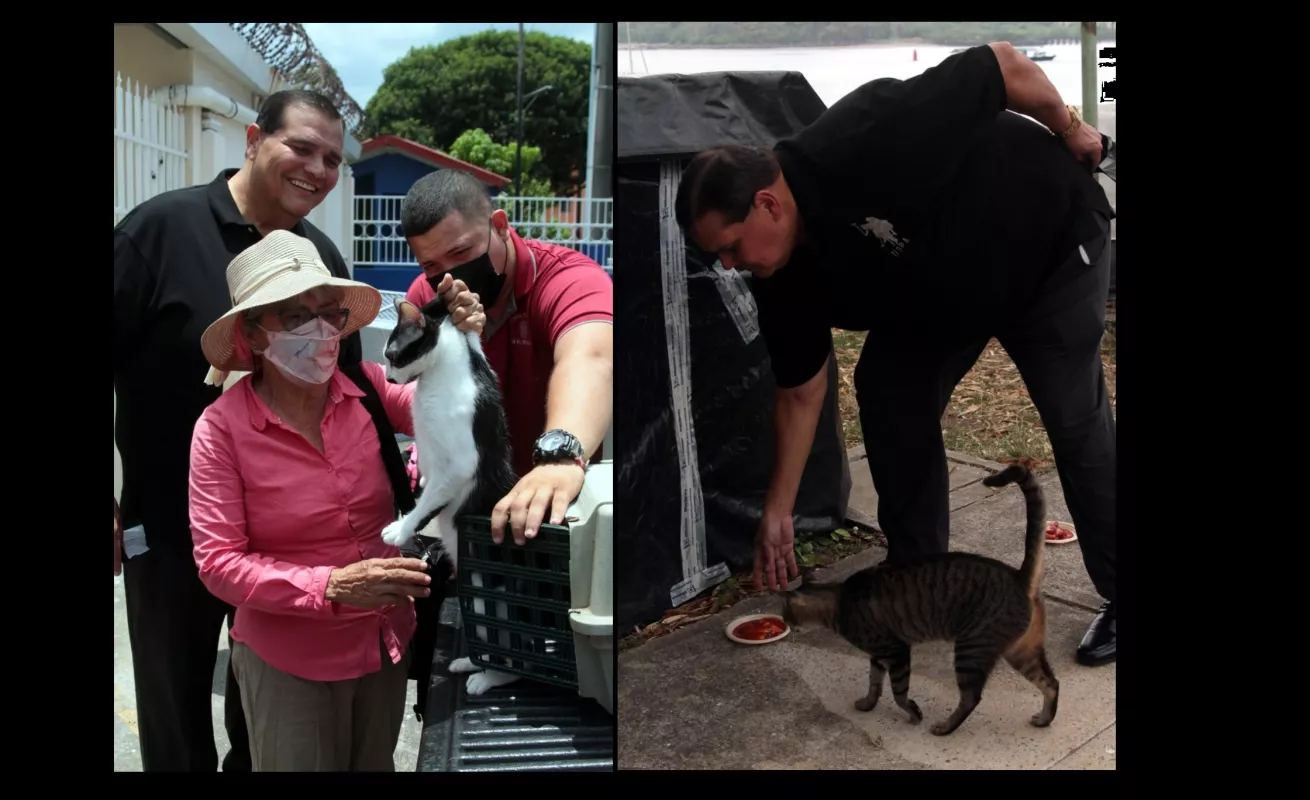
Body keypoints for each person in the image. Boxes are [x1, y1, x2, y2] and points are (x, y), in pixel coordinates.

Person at [674, 43, 1116, 667]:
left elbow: (1003, 64)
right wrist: (778, 513)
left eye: (730, 246)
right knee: (888, 390)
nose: (728, 267)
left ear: (768, 203)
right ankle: (917, 578)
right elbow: (800, 391)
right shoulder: (777, 274)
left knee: (1073, 418)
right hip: (943, 295)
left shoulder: (864, 136)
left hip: (1046, 246)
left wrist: (1070, 128)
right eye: (717, 258)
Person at [112, 88, 469, 771]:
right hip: (169, 529)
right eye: (300, 147)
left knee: (269, 720)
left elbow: (355, 393)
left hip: (291, 541)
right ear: (253, 139)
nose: (318, 168)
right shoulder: (158, 230)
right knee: (174, 712)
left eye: (333, 158)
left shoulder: (321, 256)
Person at [189, 230, 483, 771]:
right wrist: (332, 586)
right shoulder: (221, 430)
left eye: (327, 313)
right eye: (295, 317)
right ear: (253, 335)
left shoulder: (369, 389)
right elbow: (218, 563)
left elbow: (466, 418)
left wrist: (459, 344)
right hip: (288, 664)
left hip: (383, 644)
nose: (319, 331)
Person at [399, 170, 613, 546]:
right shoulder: (427, 298)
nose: (449, 274)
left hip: (556, 504)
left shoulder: (569, 278)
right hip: (472, 511)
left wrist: (560, 457)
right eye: (431, 266)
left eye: (461, 253)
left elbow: (591, 358)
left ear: (499, 226)